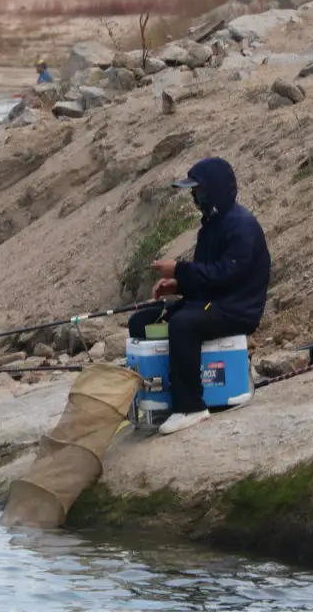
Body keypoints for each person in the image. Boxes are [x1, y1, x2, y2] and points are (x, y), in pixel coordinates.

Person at [128, 157, 270, 436]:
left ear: (215, 190)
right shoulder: (211, 225)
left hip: (236, 310)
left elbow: (225, 275)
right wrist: (178, 285)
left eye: (198, 191)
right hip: (211, 302)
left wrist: (179, 269)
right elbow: (207, 278)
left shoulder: (241, 225)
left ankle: (191, 406)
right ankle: (158, 397)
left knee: (183, 325)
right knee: (141, 322)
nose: (194, 197)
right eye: (193, 191)